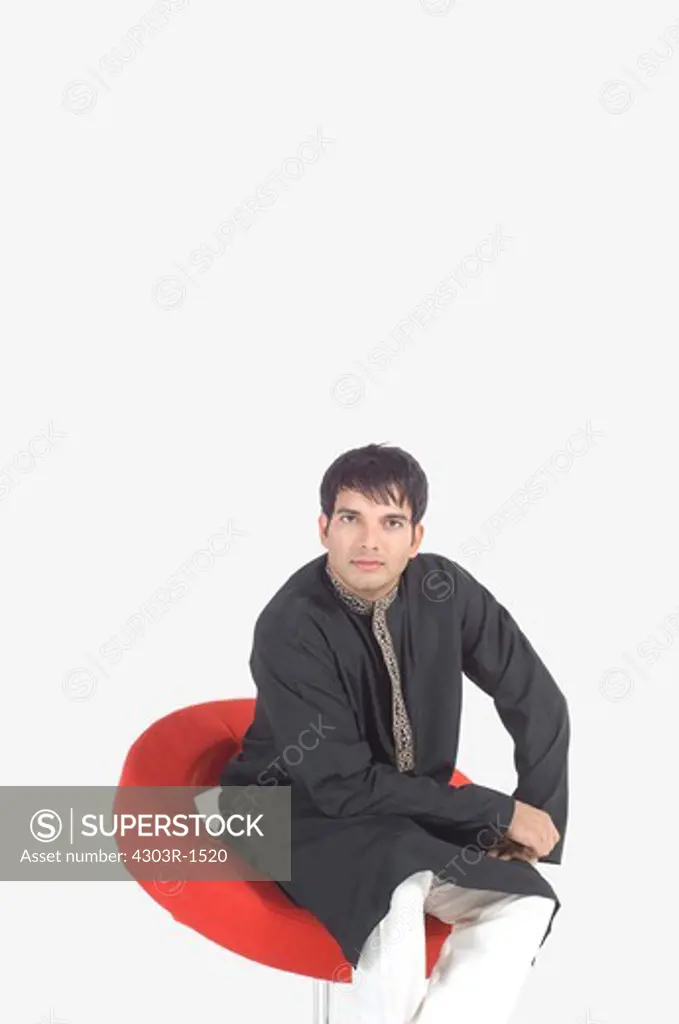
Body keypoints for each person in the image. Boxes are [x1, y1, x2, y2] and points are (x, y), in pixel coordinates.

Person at [220, 442, 570, 1024]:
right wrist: (495, 812)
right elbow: (340, 787)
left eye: (391, 522)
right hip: (288, 812)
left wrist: (534, 819)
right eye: (351, 518)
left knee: (523, 898)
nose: (369, 541)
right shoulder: (290, 624)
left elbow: (536, 697)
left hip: (396, 818)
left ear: (417, 537)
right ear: (323, 528)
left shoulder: (446, 591)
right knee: (398, 888)